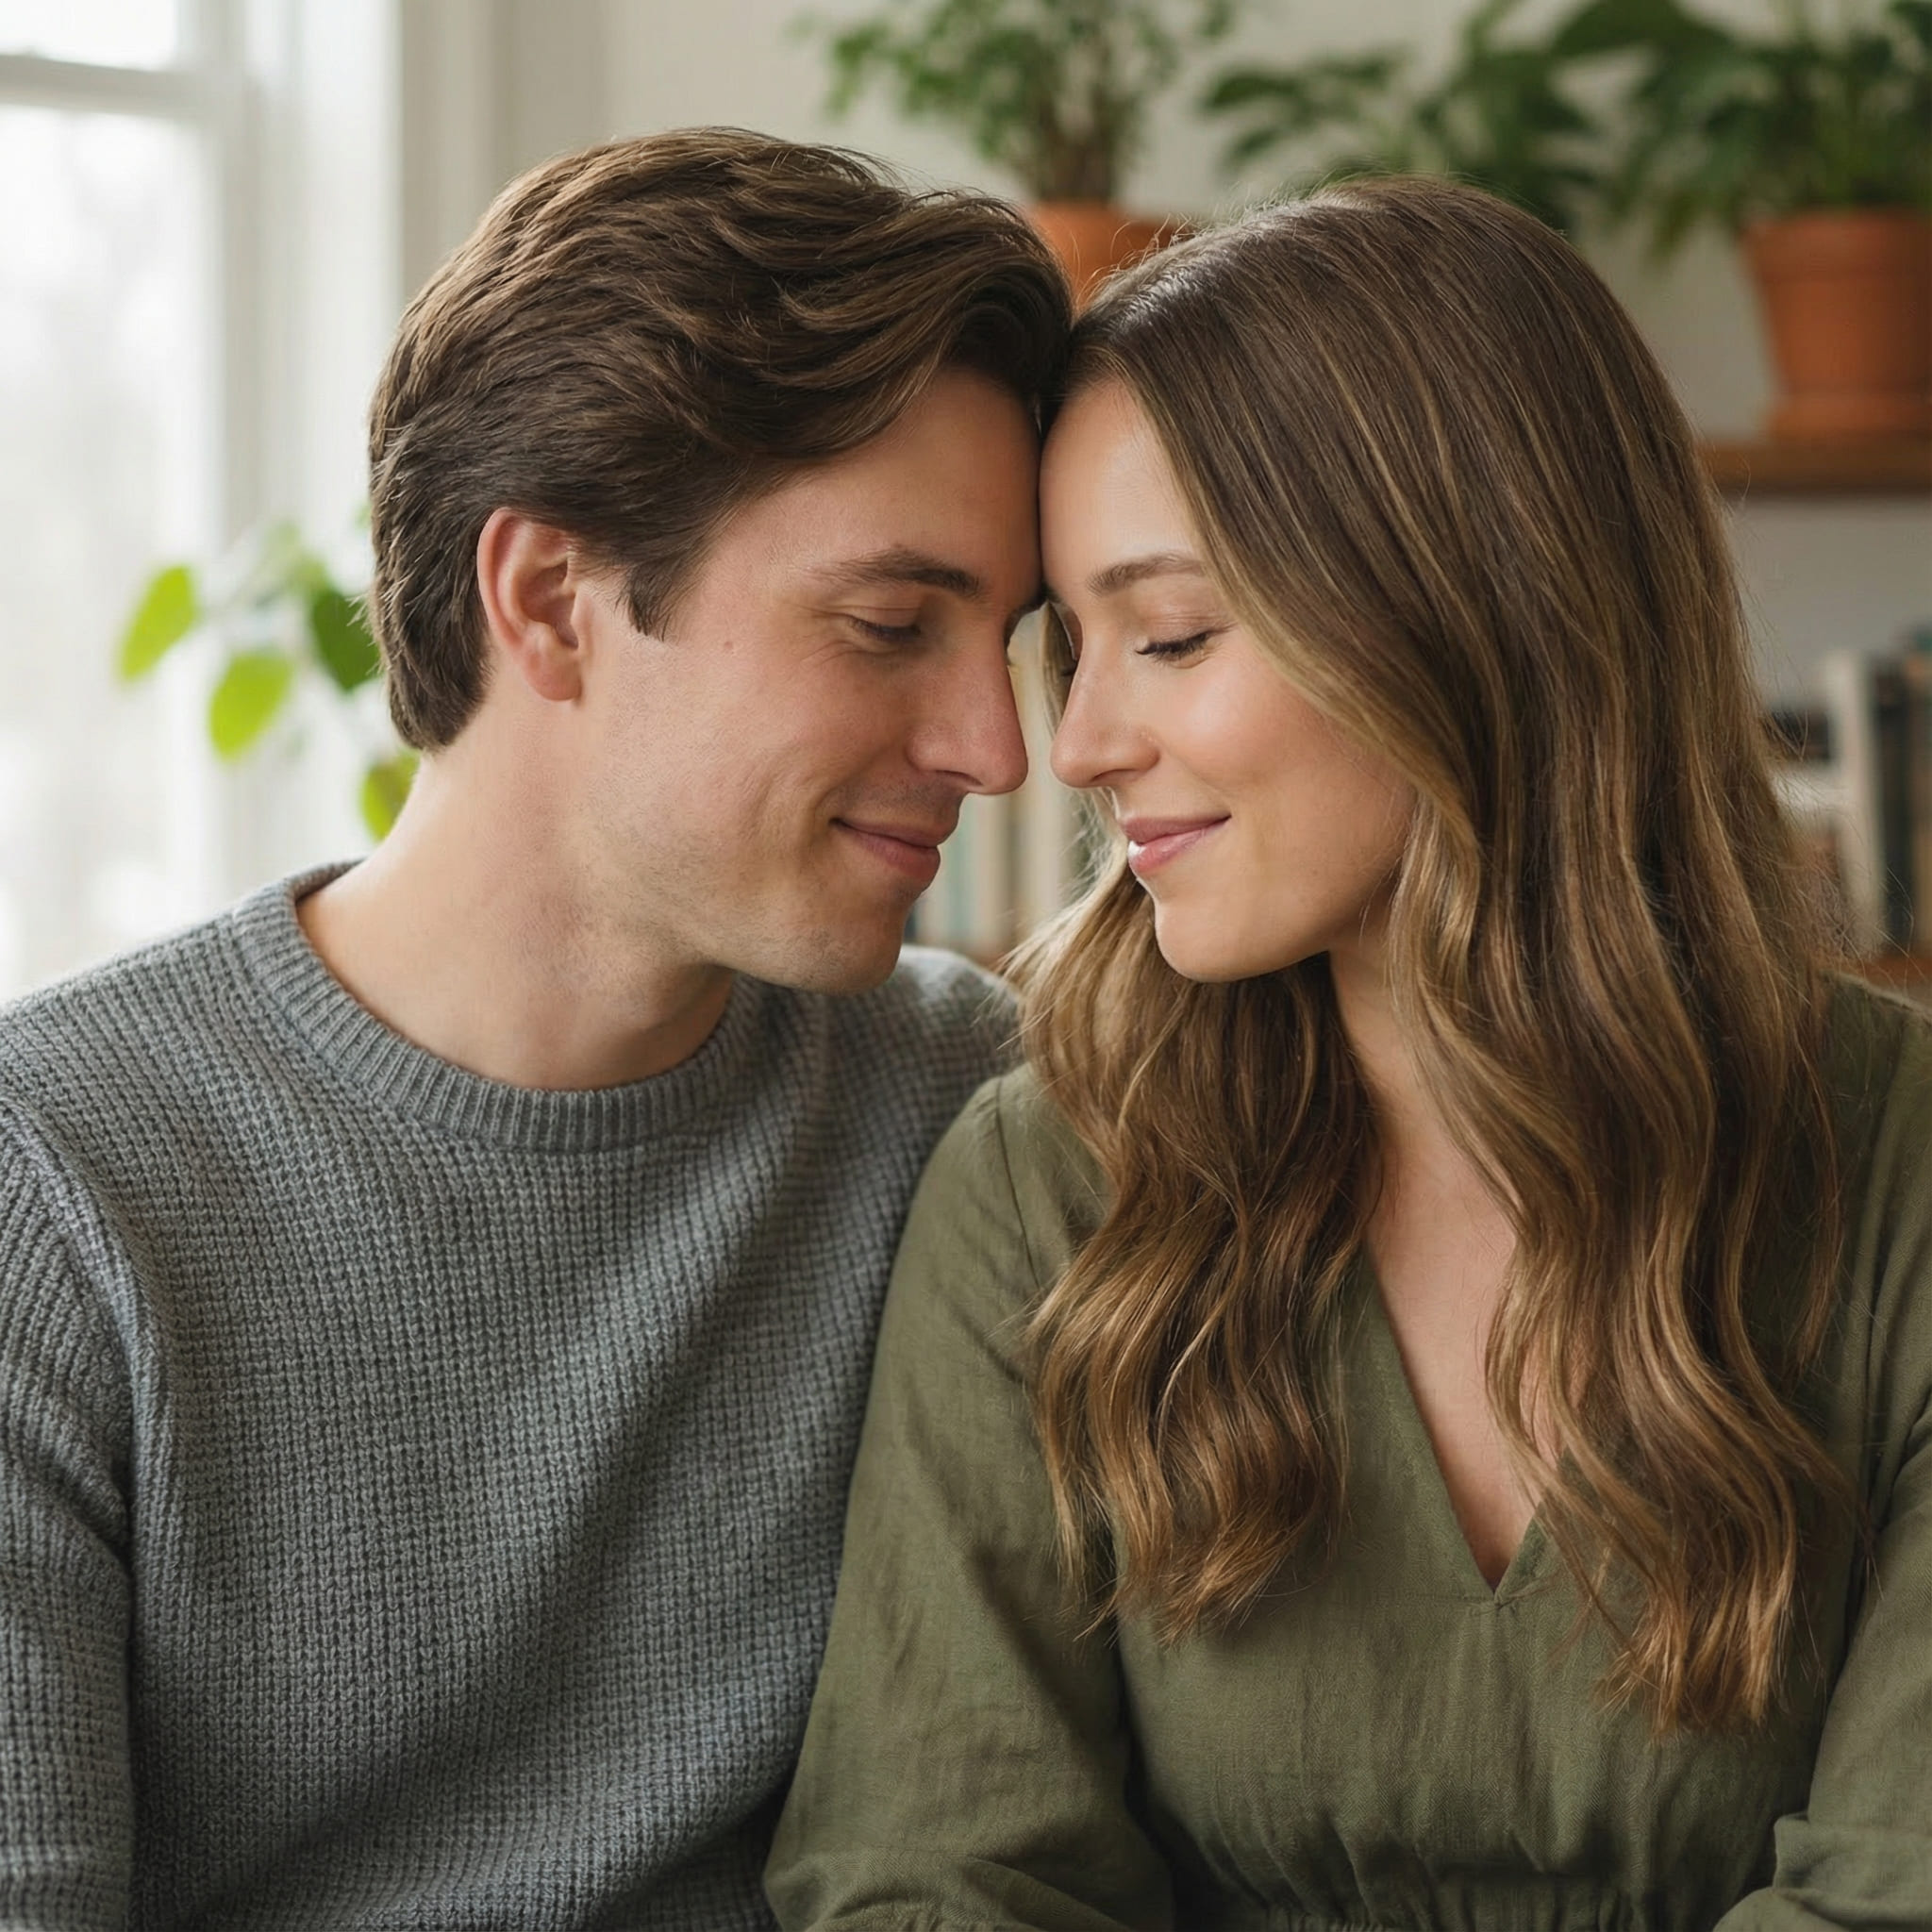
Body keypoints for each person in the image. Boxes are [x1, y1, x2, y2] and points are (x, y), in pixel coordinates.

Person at [765, 178, 1932, 1928]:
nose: (1073, 743)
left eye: (1169, 636)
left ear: (1469, 611)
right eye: (1072, 650)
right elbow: (936, 1879)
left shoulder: (1896, 1162)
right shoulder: (1046, 1185)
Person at [0, 130, 1069, 1925]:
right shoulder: (53, 1194)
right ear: (550, 602)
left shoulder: (962, 1102)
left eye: (1010, 644)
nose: (996, 745)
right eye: (892, 626)